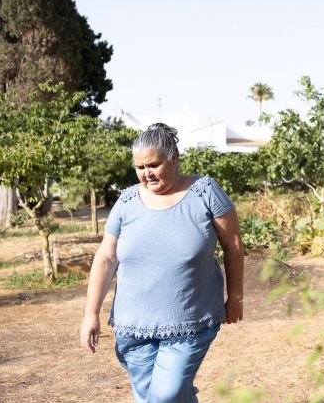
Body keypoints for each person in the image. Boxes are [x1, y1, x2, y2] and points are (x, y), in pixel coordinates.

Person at [79, 123, 244, 403]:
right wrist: (90, 314)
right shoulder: (127, 201)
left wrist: (236, 295)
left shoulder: (204, 192)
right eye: (140, 167)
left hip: (190, 321)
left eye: (154, 164)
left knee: (165, 396)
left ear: (174, 158)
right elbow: (106, 257)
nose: (147, 174)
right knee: (152, 399)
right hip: (133, 326)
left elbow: (233, 244)